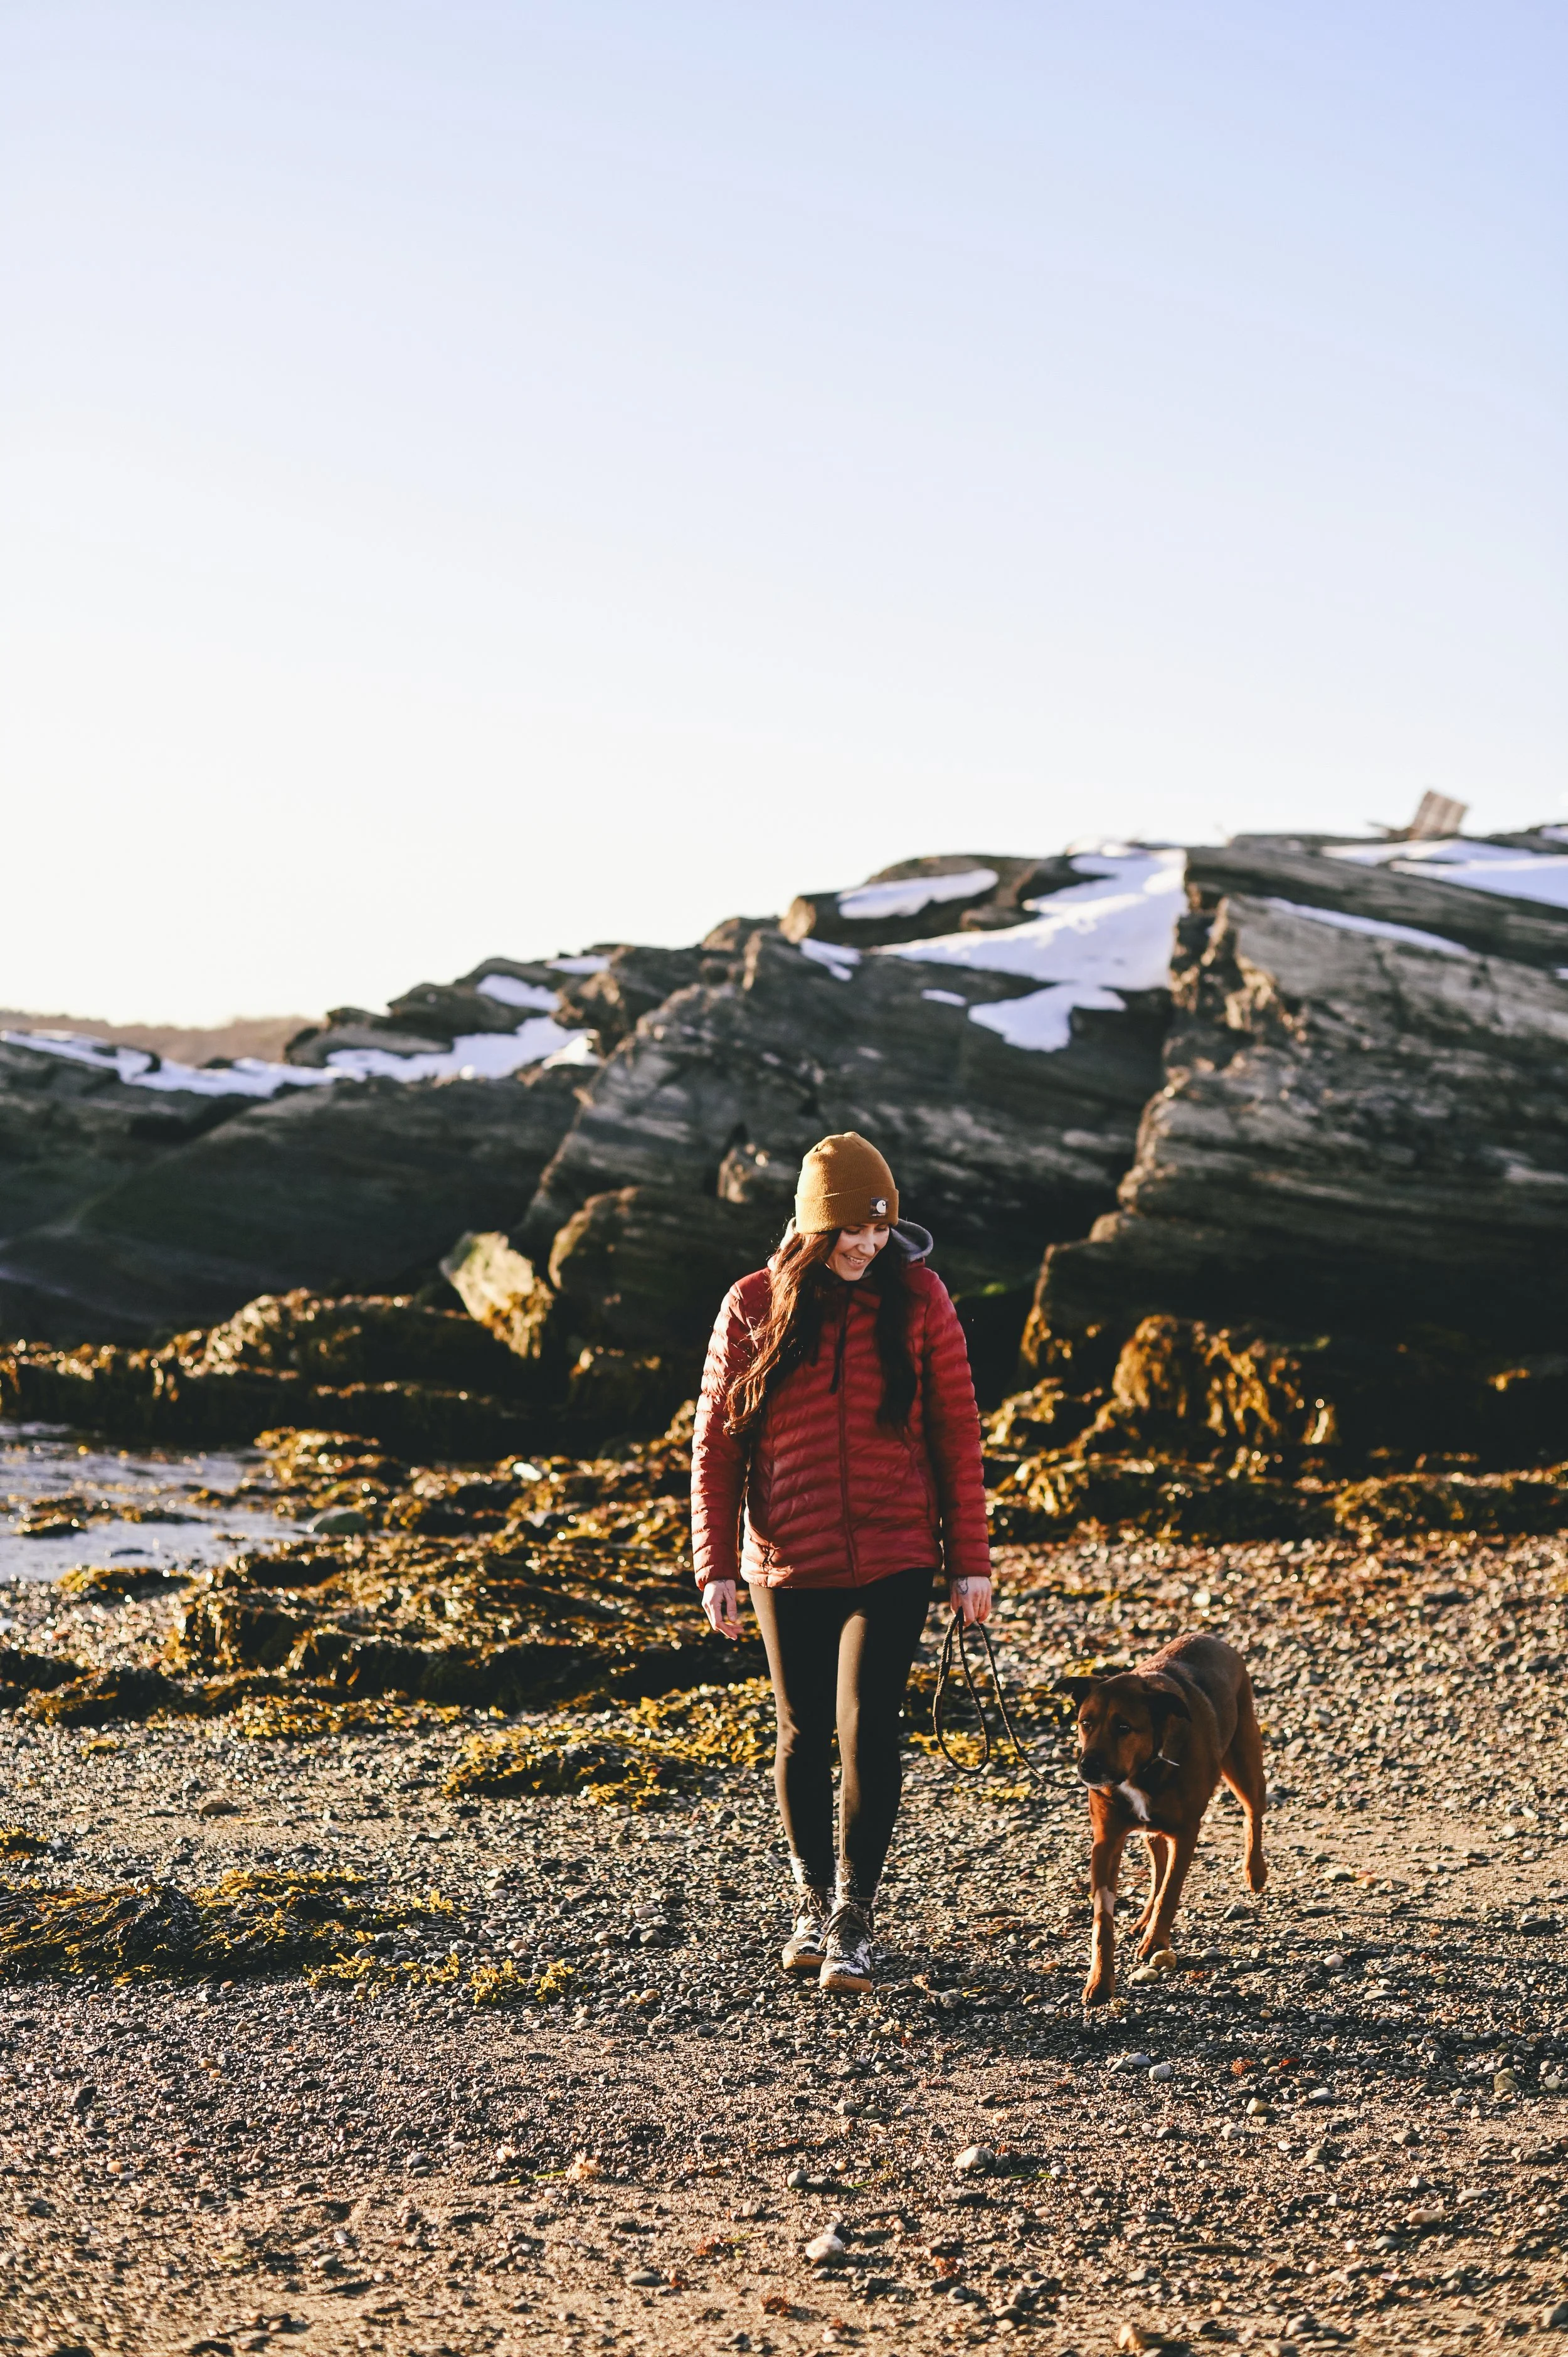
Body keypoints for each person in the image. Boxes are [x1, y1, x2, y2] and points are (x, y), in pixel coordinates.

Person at [691, 1131, 992, 1995]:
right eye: (851, 1230)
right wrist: (715, 1566)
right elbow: (715, 1449)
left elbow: (956, 1432)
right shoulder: (752, 1305)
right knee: (801, 1730)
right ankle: (809, 1904)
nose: (868, 1245)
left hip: (896, 1552)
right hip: (785, 1559)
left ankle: (854, 1919)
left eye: (880, 1227)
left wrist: (968, 1559)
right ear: (812, 1227)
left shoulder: (919, 1298)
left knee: (868, 1723)